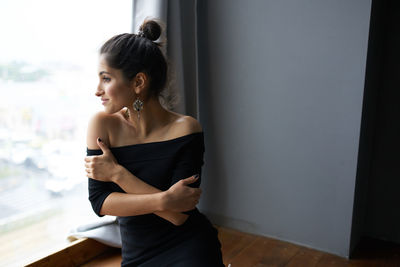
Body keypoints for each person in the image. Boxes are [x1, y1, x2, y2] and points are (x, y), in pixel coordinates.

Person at [84, 19, 224, 267]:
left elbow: (179, 216)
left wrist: (118, 174)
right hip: (137, 254)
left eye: (106, 79)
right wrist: (164, 199)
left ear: (138, 82)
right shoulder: (102, 125)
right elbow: (100, 203)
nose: (97, 90)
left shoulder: (187, 129)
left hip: (189, 245)